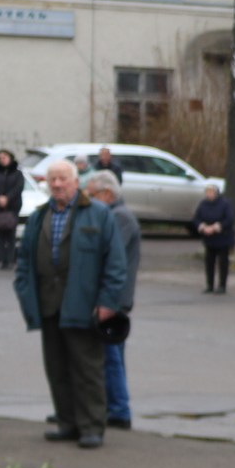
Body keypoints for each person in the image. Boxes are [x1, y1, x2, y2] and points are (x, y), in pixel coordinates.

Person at [13, 159, 126, 449]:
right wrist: (27, 298)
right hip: (49, 307)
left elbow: (115, 264)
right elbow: (24, 262)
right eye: (53, 179)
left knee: (87, 370)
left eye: (63, 179)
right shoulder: (39, 217)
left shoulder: (98, 215)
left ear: (76, 182)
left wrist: (108, 303)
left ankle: (91, 427)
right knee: (57, 369)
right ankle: (68, 423)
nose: (57, 184)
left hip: (86, 308)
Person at [85, 172, 141, 431]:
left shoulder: (119, 218)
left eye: (92, 194)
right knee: (112, 355)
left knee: (110, 356)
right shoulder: (119, 216)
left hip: (114, 299)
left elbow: (108, 256)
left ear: (107, 194)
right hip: (115, 296)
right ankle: (114, 407)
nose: (88, 199)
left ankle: (118, 410)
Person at [0, 149, 26, 271]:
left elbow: (19, 187)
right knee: (0, 234)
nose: (2, 160)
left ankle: (11, 259)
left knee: (11, 234)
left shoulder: (17, 173)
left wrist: (7, 198)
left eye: (4, 157)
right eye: (0, 158)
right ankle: (2, 259)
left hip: (13, 207)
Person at [193, 182, 235, 293]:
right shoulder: (203, 204)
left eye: (211, 192)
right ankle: (209, 285)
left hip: (223, 237)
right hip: (209, 238)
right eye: (207, 192)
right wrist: (203, 227)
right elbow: (196, 218)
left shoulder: (225, 204)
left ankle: (222, 285)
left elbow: (229, 219)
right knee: (209, 262)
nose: (209, 194)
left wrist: (216, 227)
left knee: (223, 263)